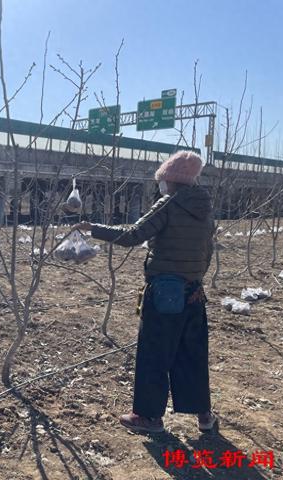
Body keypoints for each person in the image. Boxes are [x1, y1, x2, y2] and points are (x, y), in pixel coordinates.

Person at [73, 150, 217, 434]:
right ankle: (204, 416)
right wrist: (195, 278)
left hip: (165, 292)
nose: (161, 184)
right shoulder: (205, 209)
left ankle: (149, 417)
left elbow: (132, 235)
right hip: (194, 293)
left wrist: (94, 229)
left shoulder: (169, 205)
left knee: (154, 354)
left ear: (172, 180)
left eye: (163, 179)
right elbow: (208, 250)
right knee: (192, 354)